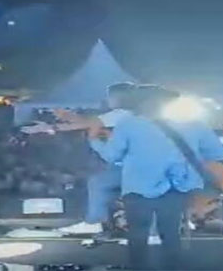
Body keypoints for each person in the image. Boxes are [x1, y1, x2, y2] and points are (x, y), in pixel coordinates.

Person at [89, 85, 223, 270]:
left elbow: (112, 156)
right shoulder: (193, 124)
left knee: (137, 236)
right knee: (171, 234)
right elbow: (218, 153)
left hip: (138, 187)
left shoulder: (128, 124)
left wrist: (95, 141)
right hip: (176, 186)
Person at [22, 82, 138, 236]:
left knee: (101, 183)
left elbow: (88, 123)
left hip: (137, 166)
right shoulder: (125, 114)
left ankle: (97, 222)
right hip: (125, 164)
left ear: (120, 97)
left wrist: (51, 127)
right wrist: (66, 117)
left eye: (111, 97)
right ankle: (101, 220)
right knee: (99, 182)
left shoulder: (124, 114)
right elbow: (89, 121)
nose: (108, 100)